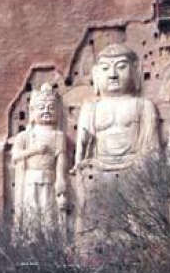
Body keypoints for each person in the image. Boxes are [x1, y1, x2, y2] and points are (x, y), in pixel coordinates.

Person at [74, 44, 159, 173]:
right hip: (98, 170)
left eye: (121, 67)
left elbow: (152, 148)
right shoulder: (90, 109)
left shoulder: (143, 106)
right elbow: (80, 150)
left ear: (134, 70)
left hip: (136, 170)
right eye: (105, 68)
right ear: (96, 73)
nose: (112, 74)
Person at [11, 83, 68, 226]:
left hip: (50, 178)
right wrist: (35, 150)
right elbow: (15, 157)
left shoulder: (58, 135)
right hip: (30, 179)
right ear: (32, 111)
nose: (46, 111)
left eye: (51, 107)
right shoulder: (25, 136)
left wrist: (61, 179)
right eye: (41, 108)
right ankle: (32, 242)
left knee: (49, 214)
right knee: (31, 214)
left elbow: (61, 159)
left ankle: (50, 243)